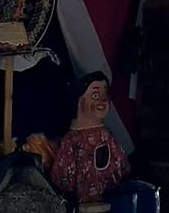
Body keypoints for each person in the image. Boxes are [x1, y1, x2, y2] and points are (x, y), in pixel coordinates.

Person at [30, 72, 130, 205]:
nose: (103, 100)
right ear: (78, 101)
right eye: (95, 95)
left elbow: (121, 165)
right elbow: (62, 177)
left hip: (109, 201)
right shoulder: (72, 140)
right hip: (80, 205)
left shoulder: (107, 135)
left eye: (105, 95)